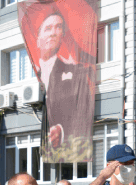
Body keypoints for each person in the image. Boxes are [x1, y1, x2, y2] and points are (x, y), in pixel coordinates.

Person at [34, 11, 92, 155]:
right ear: (38, 39)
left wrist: (62, 130)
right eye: (48, 28)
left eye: (58, 27)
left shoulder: (76, 72)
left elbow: (83, 113)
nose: (53, 33)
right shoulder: (34, 73)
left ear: (63, 36)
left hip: (67, 149)